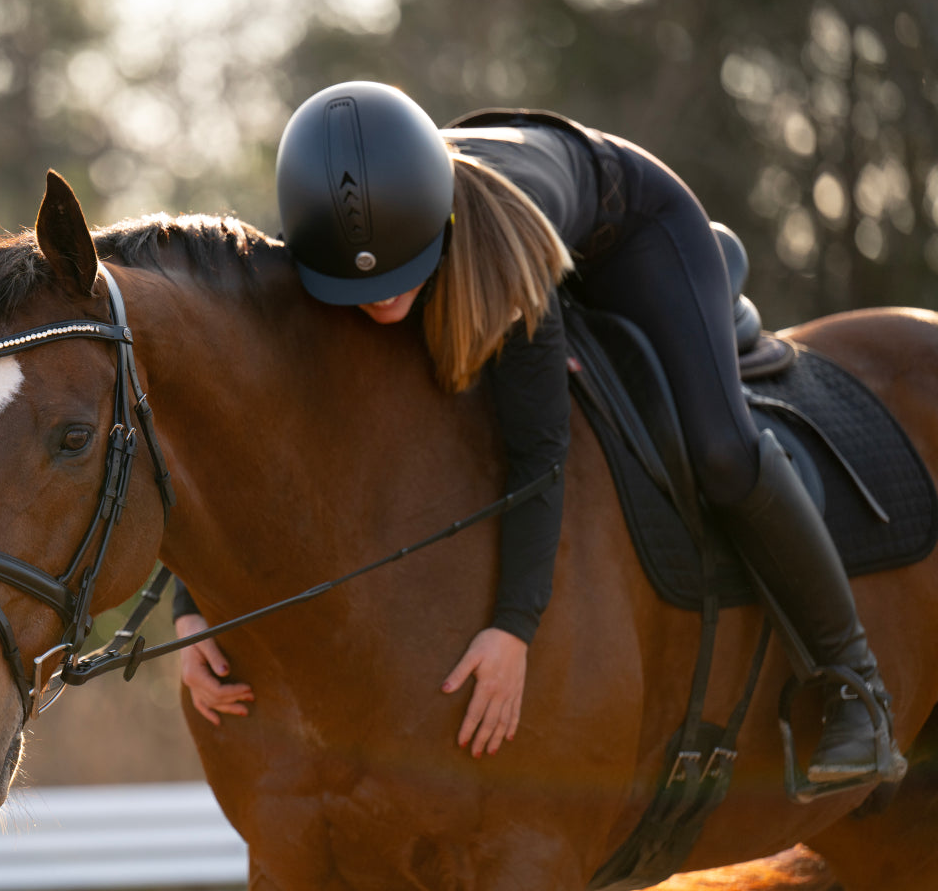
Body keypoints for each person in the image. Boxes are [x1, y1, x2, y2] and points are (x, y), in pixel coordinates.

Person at [174, 80, 903, 784]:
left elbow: (540, 450)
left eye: (401, 274)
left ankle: (852, 682)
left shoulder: (502, 263)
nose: (384, 297)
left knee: (720, 450)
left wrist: (513, 628)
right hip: (488, 200)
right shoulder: (315, 246)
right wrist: (191, 613)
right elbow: (243, 442)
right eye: (358, 287)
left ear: (439, 225)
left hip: (630, 219)